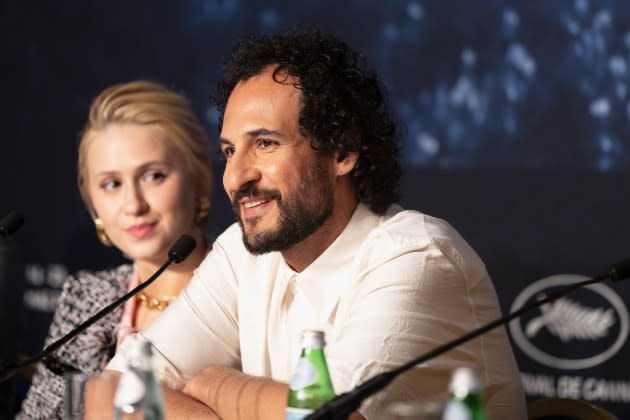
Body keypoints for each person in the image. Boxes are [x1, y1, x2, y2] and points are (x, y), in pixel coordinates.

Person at [101, 30, 527, 419]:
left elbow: (329, 419)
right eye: (230, 151)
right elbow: (113, 392)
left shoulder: (418, 257)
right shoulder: (240, 255)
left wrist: (213, 382)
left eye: (265, 143)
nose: (235, 177)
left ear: (342, 152)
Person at [17, 80, 213, 419]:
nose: (133, 204)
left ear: (199, 177)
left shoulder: (249, 292)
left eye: (153, 176)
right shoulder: (86, 297)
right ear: (92, 202)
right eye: (112, 184)